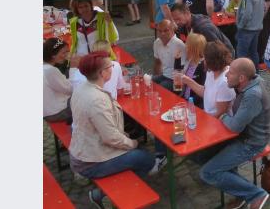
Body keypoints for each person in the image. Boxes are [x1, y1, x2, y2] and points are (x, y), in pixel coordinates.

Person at [70, 53, 157, 207]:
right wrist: (132, 143)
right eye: (110, 66)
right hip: (91, 162)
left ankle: (114, 191)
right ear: (102, 73)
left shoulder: (83, 88)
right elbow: (111, 138)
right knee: (146, 158)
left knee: (137, 150)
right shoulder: (96, 99)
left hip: (84, 151)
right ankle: (109, 195)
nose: (113, 68)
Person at [198, 58, 270, 209]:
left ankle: (256, 194)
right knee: (202, 154)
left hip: (251, 143)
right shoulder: (251, 83)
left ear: (242, 78)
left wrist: (224, 116)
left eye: (230, 73)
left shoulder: (252, 95)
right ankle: (242, 194)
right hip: (240, 137)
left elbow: (235, 126)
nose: (226, 75)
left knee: (208, 172)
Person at [180, 42, 236, 118]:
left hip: (216, 121)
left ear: (211, 61)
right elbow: (206, 92)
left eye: (205, 58)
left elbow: (220, 114)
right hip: (206, 115)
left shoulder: (225, 82)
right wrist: (186, 80)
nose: (203, 60)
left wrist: (201, 117)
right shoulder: (211, 71)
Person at [43, 38, 77, 123]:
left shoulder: (45, 67)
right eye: (64, 53)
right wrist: (73, 68)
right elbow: (71, 89)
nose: (67, 55)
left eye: (68, 52)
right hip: (57, 113)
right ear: (53, 55)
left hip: (48, 112)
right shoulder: (50, 70)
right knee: (88, 98)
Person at [236, 0, 265, 67]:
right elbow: (264, 9)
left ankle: (241, 74)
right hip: (257, 28)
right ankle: (256, 72)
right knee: (253, 53)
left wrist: (240, 26)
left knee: (241, 55)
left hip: (246, 29)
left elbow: (246, 14)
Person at [152, 20, 186, 89]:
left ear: (172, 30)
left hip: (175, 79)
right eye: (160, 31)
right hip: (164, 75)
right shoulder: (157, 43)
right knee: (148, 83)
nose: (162, 34)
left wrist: (178, 89)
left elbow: (182, 69)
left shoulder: (179, 44)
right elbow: (157, 62)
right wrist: (155, 77)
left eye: (166, 30)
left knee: (159, 88)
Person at [176, 33, 207, 107]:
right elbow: (177, 85)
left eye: (187, 45)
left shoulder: (203, 66)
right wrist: (177, 61)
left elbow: (203, 92)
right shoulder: (188, 61)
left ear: (193, 49)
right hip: (184, 98)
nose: (185, 46)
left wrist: (189, 102)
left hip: (195, 104)